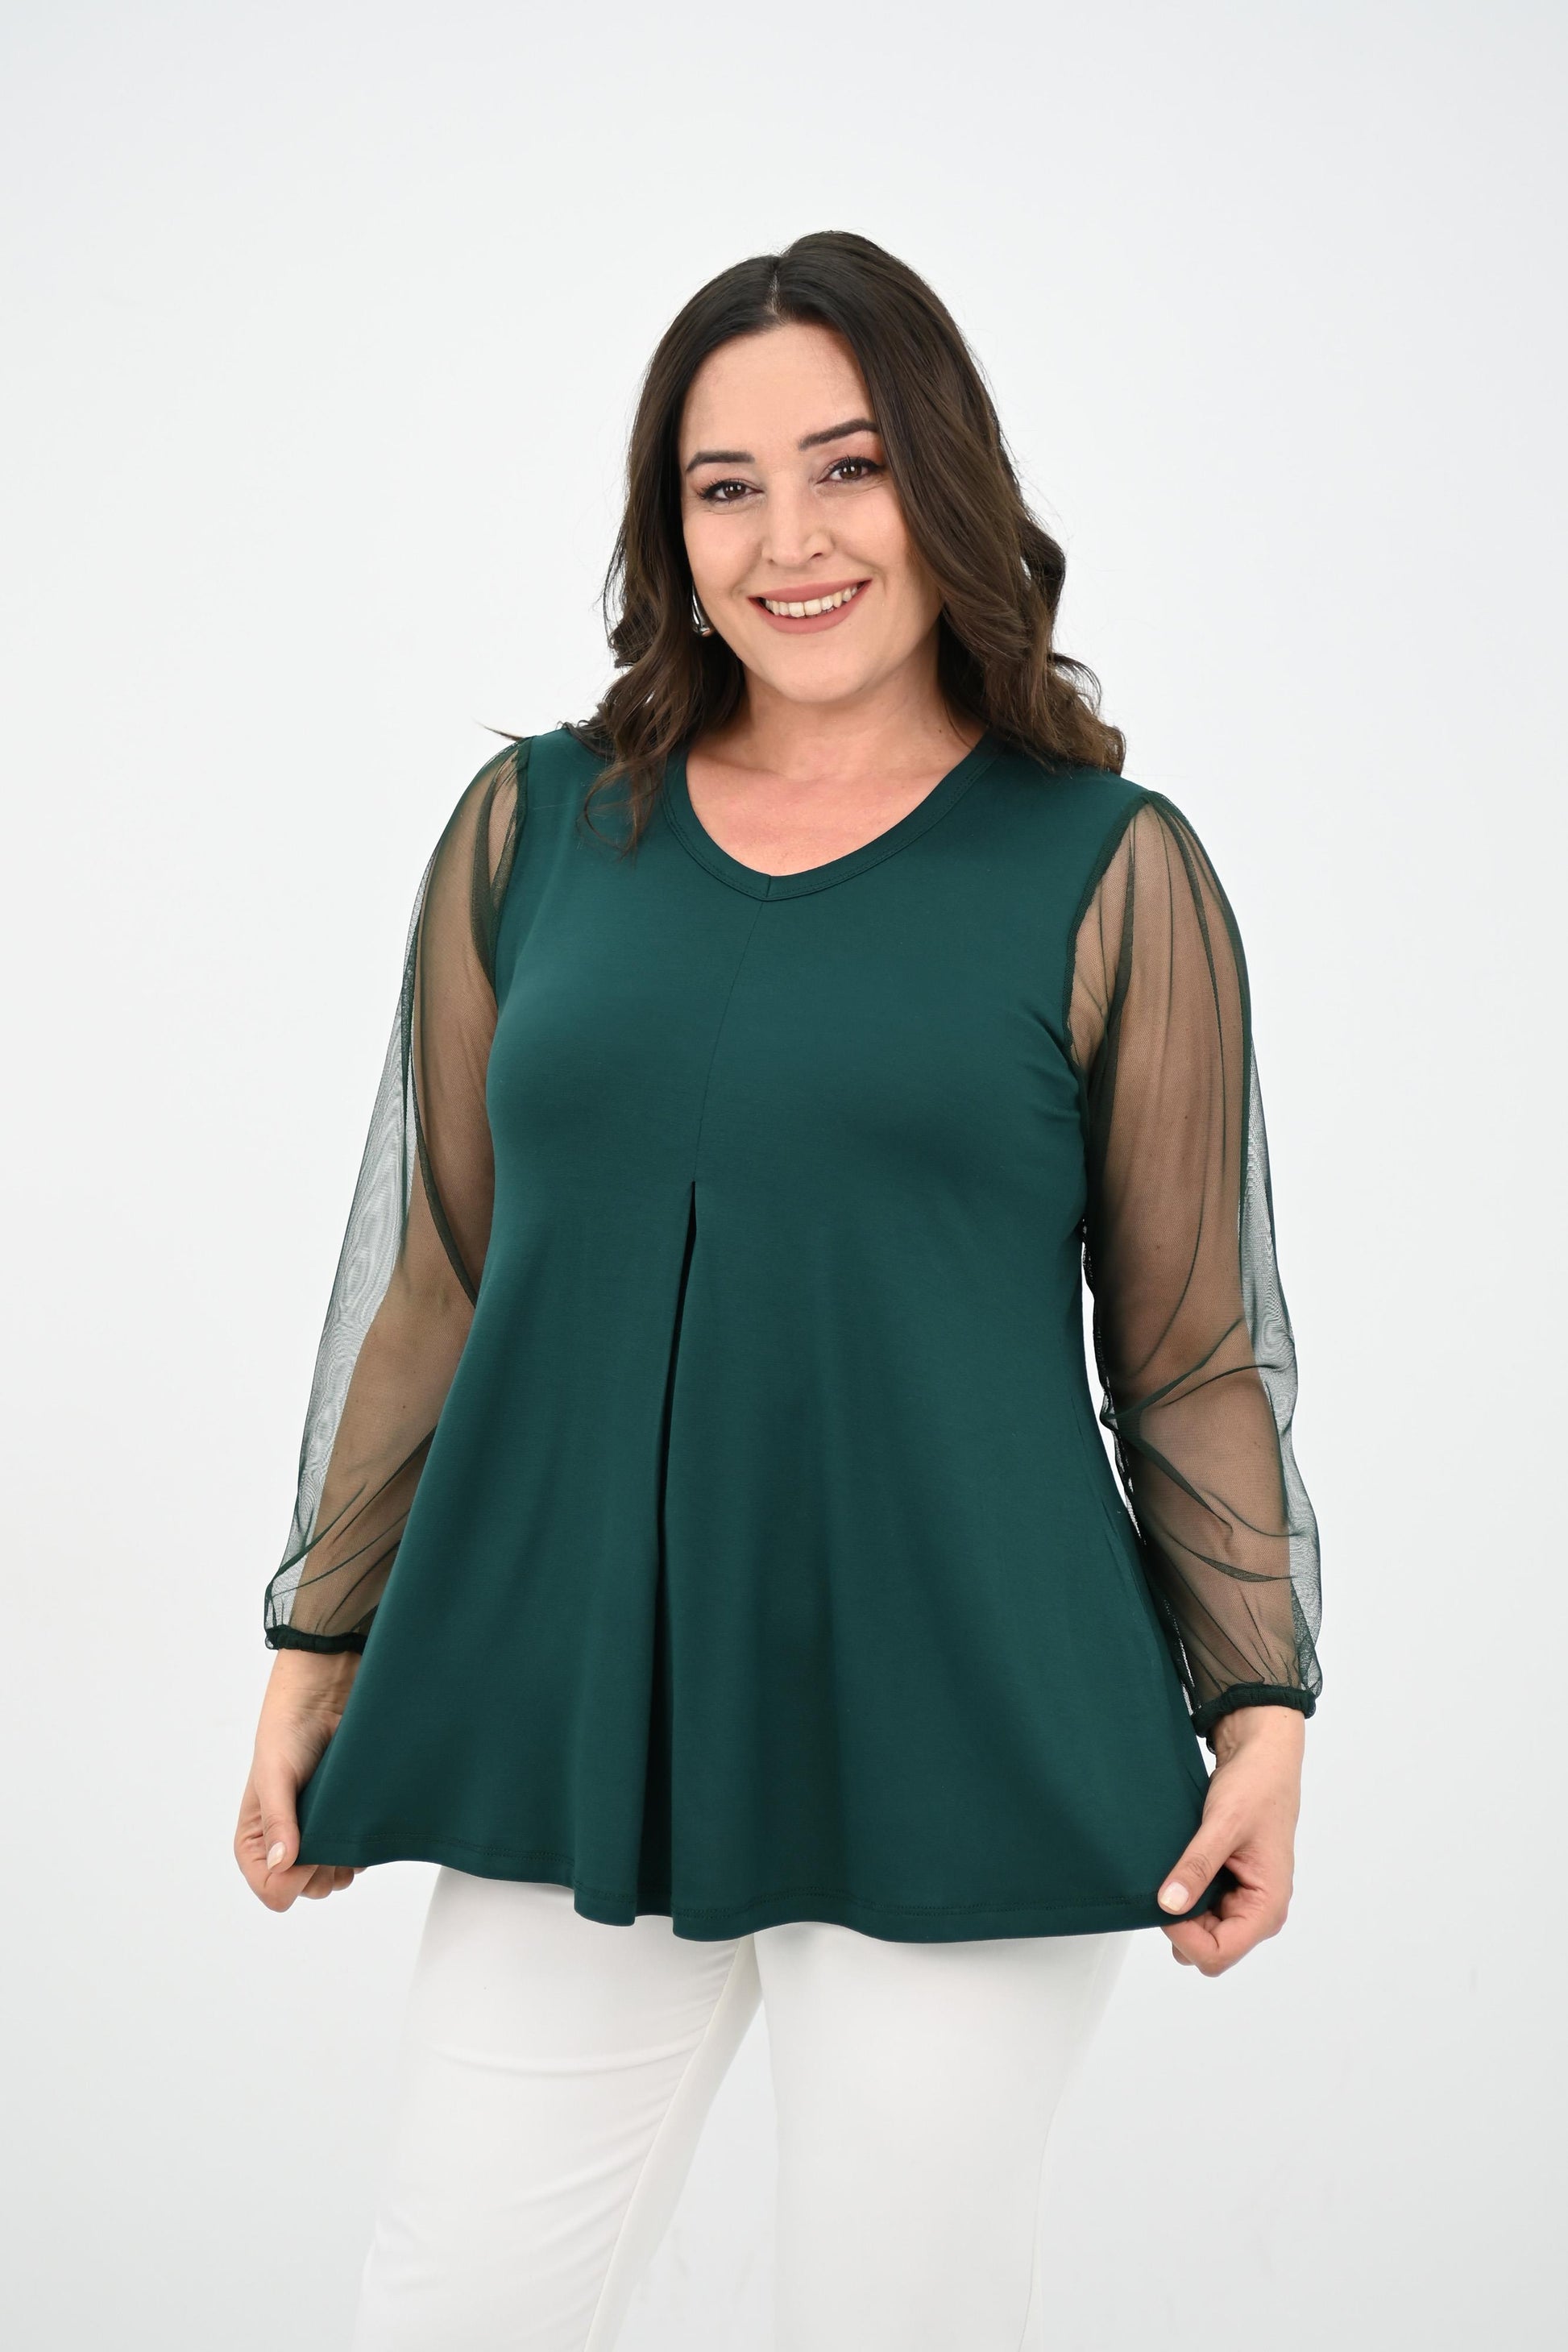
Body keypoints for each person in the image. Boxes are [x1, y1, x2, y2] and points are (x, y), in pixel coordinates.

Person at [234, 230, 1322, 2352]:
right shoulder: (537, 830)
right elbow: (437, 1275)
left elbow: (1188, 1349)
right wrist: (315, 1640)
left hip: (969, 1711)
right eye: (724, 486)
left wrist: (1260, 1705)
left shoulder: (1105, 866)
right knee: (452, 2307)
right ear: (671, 529)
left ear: (945, 482)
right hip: (578, 1702)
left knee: (897, 2317)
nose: (788, 540)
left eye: (847, 467)